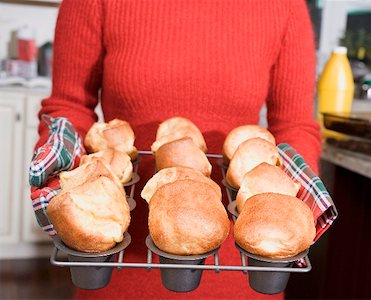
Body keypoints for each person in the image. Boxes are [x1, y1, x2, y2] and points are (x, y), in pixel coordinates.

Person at [30, 0, 321, 298]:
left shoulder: (284, 6)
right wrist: (56, 170)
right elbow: (70, 105)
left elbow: (294, 125)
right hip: (114, 253)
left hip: (245, 255)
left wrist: (300, 202)